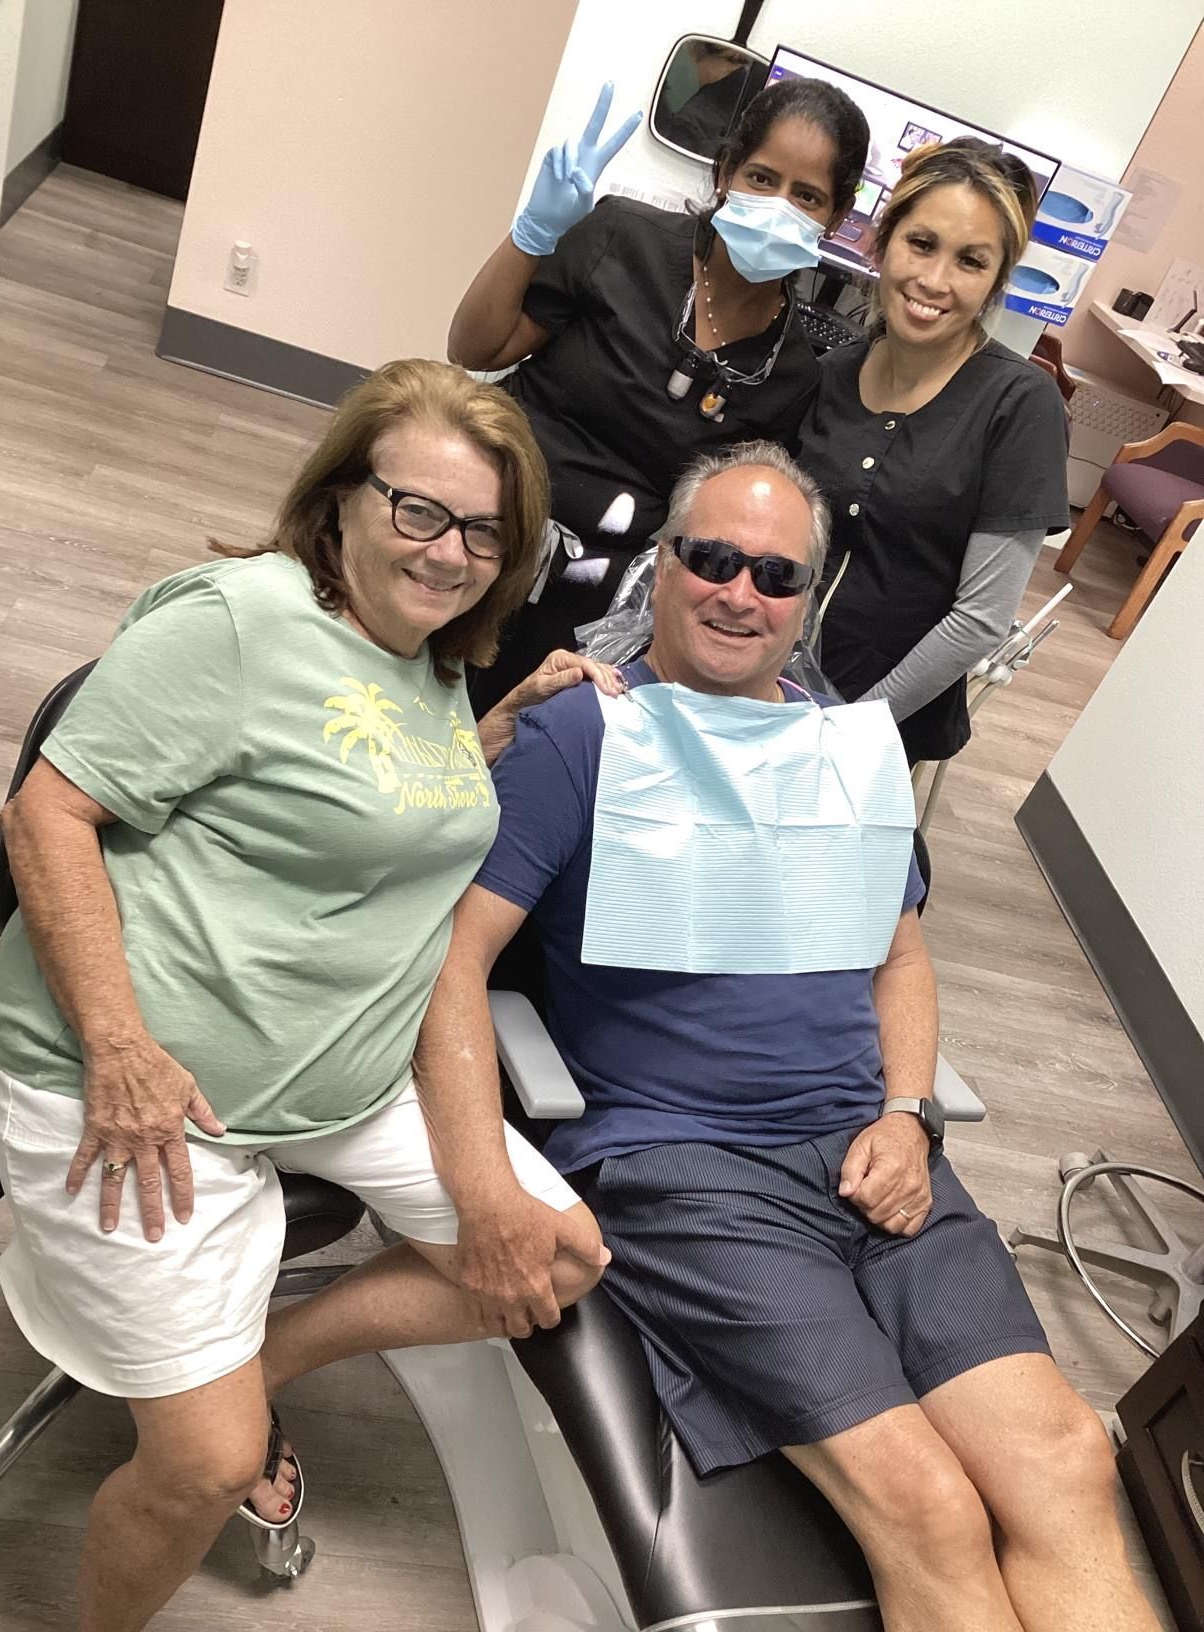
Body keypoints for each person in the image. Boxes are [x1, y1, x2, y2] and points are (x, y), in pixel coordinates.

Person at [416, 443, 1161, 1632]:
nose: (738, 592)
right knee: (924, 1504)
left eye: (775, 574)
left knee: (1069, 1461)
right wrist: (481, 1187)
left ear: (808, 600)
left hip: (874, 1160)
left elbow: (901, 956)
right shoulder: (582, 742)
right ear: (660, 570)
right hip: (688, 1172)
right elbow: (449, 962)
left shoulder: (847, 752)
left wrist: (909, 1117)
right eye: (710, 559)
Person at [0, 359, 619, 1632]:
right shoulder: (237, 622)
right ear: (339, 502)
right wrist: (117, 1045)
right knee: (208, 1467)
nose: (447, 554)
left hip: (341, 1078)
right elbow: (49, 810)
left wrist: (493, 730)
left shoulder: (431, 660)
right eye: (416, 510)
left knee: (558, 1261)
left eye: (485, 531)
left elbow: (365, 782)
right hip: (145, 1087)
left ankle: (264, 1361)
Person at [448, 75, 870, 713]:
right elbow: (475, 349)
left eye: (806, 195)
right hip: (489, 529)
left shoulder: (793, 376)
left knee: (514, 749)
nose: (779, 204)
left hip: (600, 610)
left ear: (836, 218)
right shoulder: (623, 240)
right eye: (762, 178)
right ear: (725, 173)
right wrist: (531, 236)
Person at [795, 138, 1070, 765]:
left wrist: (849, 731)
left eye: (970, 261)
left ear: (996, 281)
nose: (935, 281)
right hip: (771, 690)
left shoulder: (1020, 404)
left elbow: (980, 618)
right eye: (921, 244)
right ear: (884, 239)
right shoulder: (833, 373)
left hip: (883, 726)